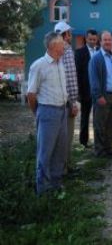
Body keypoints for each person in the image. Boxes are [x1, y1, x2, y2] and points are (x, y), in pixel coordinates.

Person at [27, 32, 68, 194]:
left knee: (60, 151)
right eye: (61, 43)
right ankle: (43, 190)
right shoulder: (38, 66)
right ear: (52, 46)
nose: (64, 46)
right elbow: (31, 94)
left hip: (62, 111)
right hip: (47, 112)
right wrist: (38, 112)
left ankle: (56, 185)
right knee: (45, 152)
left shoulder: (60, 63)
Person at [88, 31, 112, 157]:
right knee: (100, 125)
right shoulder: (96, 59)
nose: (108, 42)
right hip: (103, 96)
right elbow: (94, 79)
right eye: (105, 40)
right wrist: (98, 96)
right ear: (100, 42)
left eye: (109, 40)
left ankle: (108, 149)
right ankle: (100, 151)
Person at [54, 21, 79, 173]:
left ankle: (64, 166)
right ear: (64, 35)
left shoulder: (54, 50)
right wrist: (73, 103)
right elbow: (70, 79)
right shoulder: (67, 50)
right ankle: (64, 169)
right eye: (69, 33)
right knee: (67, 137)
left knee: (61, 137)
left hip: (59, 101)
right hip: (68, 102)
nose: (71, 36)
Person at [75, 29, 99, 149]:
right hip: (85, 91)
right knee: (85, 117)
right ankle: (83, 141)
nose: (92, 41)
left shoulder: (99, 52)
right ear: (86, 38)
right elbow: (77, 74)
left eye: (94, 39)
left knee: (98, 117)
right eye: (90, 39)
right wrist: (79, 92)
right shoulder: (79, 53)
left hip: (98, 91)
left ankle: (98, 140)